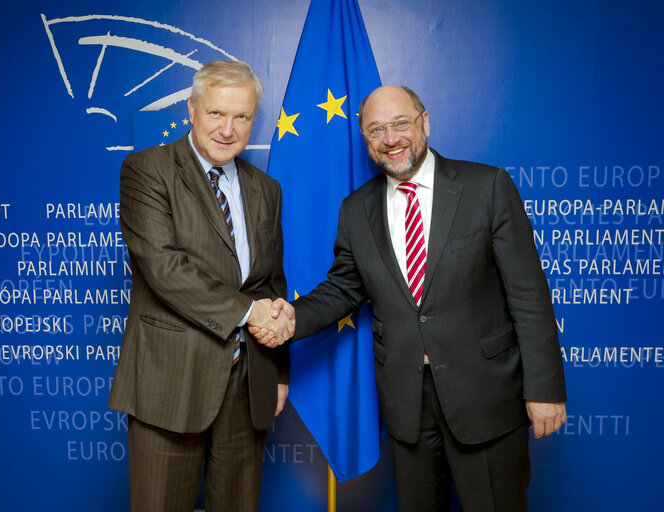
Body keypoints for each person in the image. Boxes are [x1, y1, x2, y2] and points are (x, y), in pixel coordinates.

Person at [254, 85, 567, 511]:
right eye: (376, 130)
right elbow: (343, 288)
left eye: (401, 123)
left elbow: (529, 296)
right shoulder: (356, 210)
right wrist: (290, 317)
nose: (391, 138)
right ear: (366, 141)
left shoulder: (487, 186)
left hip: (486, 398)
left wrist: (545, 389)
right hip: (407, 406)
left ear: (424, 122)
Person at [108, 60, 295, 512]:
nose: (229, 129)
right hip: (170, 383)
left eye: (242, 117)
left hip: (248, 382)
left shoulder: (266, 189)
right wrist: (252, 314)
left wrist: (280, 371)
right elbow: (164, 268)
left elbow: (270, 282)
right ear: (192, 110)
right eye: (216, 114)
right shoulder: (147, 170)